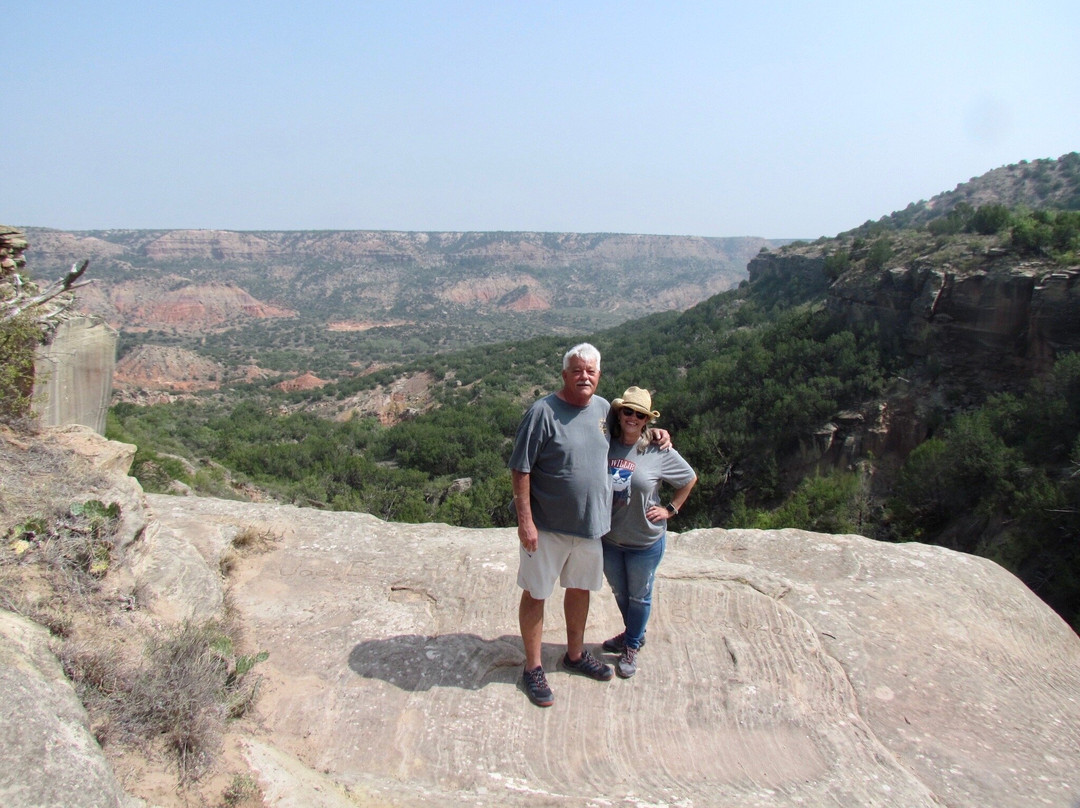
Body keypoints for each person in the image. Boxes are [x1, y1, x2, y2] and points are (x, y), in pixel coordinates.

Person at [508, 344, 670, 707]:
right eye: (577, 370)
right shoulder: (542, 412)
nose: (584, 376)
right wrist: (526, 522)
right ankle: (533, 667)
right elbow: (521, 468)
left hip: (591, 526)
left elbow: (630, 431)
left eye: (591, 371)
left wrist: (657, 433)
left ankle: (575, 654)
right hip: (547, 526)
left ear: (599, 376)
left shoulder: (603, 410)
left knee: (580, 589)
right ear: (564, 374)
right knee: (536, 592)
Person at [601, 386, 697, 679]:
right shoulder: (606, 443)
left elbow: (689, 478)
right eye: (628, 411)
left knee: (639, 597)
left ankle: (631, 645)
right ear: (619, 414)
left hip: (644, 541)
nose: (632, 417)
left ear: (646, 420)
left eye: (640, 415)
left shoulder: (658, 450)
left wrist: (671, 509)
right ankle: (634, 632)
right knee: (620, 593)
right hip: (610, 539)